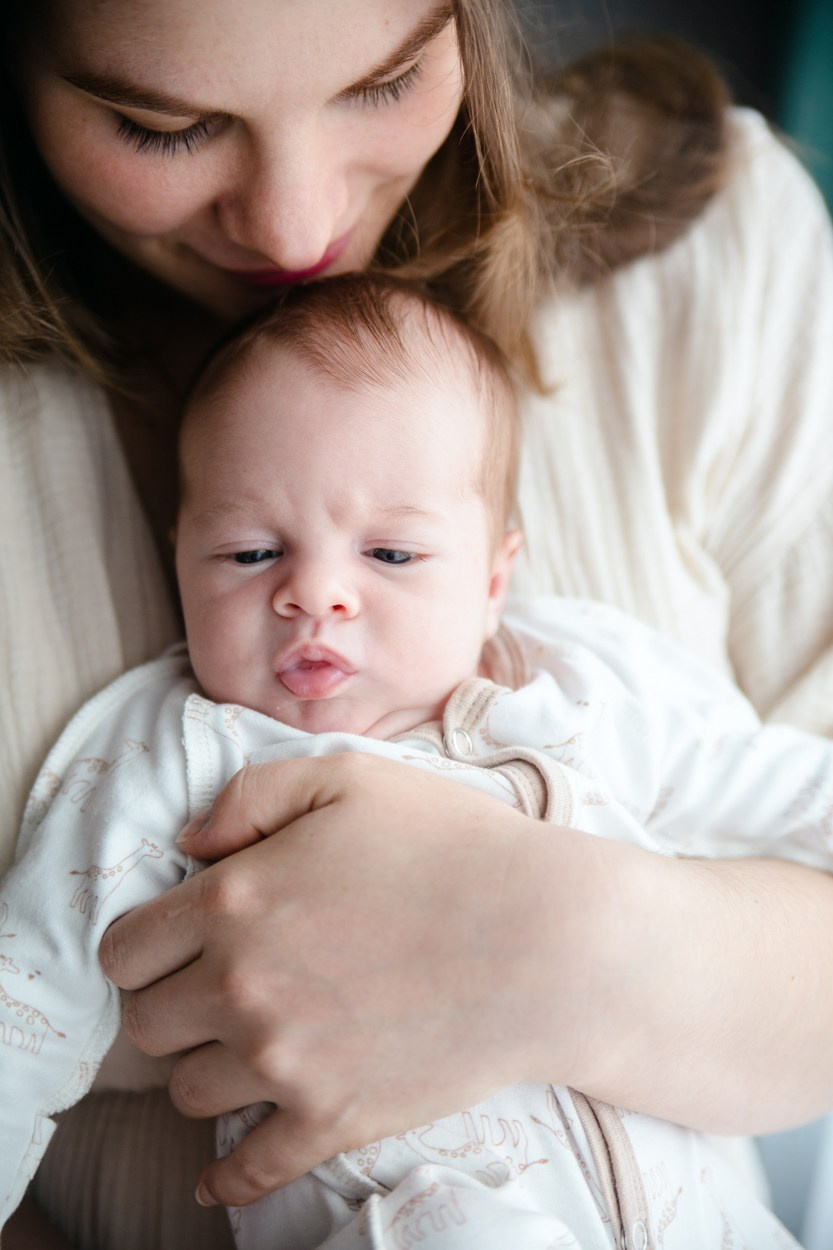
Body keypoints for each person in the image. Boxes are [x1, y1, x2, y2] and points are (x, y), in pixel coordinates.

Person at [1, 2, 832, 1247]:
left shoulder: (586, 678)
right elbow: (22, 1012)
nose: (295, 224)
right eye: (158, 124)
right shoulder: (175, 750)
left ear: (497, 574)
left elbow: (791, 799)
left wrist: (585, 946)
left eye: (382, 82)